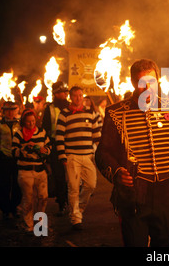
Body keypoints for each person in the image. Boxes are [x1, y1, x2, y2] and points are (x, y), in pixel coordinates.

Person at [95, 58, 169, 247]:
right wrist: (117, 172)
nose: (148, 89)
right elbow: (103, 153)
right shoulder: (115, 113)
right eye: (142, 84)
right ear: (133, 83)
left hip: (166, 193)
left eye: (152, 83)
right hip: (134, 193)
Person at [55, 86, 102, 230]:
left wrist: (99, 154)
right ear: (71, 97)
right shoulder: (64, 114)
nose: (78, 98)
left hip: (87, 155)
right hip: (72, 156)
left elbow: (96, 136)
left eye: (80, 95)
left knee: (91, 185)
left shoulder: (91, 113)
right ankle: (75, 218)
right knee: (73, 188)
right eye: (75, 95)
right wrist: (63, 156)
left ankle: (78, 209)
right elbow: (59, 137)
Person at [12, 109, 51, 232]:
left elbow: (49, 147)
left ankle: (40, 224)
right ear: (24, 122)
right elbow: (13, 151)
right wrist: (25, 149)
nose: (31, 124)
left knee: (43, 197)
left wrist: (45, 151)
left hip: (40, 170)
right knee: (28, 199)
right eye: (28, 122)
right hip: (25, 171)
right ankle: (28, 225)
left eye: (33, 121)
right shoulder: (19, 134)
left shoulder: (42, 132)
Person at [0, 101, 22, 219]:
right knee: (4, 185)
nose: (10, 112)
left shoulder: (19, 125)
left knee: (17, 185)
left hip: (17, 160)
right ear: (3, 112)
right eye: (8, 110)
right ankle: (5, 209)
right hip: (3, 159)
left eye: (13, 110)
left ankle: (14, 207)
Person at [42, 81, 69, 215]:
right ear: (56, 94)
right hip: (54, 145)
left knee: (71, 175)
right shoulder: (50, 108)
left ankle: (71, 200)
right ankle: (62, 201)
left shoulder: (71, 107)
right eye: (62, 92)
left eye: (66, 92)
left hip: (70, 144)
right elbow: (46, 128)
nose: (65, 94)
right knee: (59, 175)